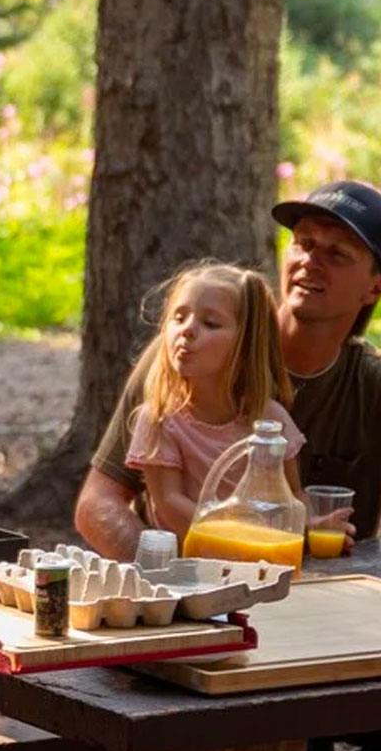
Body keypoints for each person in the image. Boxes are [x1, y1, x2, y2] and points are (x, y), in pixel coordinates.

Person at [76, 180, 381, 560]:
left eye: (336, 254)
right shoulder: (186, 355)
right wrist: (172, 575)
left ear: (374, 288)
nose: (310, 261)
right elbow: (97, 505)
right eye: (303, 243)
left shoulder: (370, 385)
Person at [123, 263, 303, 538]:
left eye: (210, 323)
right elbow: (169, 502)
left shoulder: (269, 419)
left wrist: (311, 524)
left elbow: (292, 495)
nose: (187, 330)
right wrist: (236, 537)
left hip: (260, 556)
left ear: (245, 345)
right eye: (179, 318)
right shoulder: (159, 418)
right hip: (187, 562)